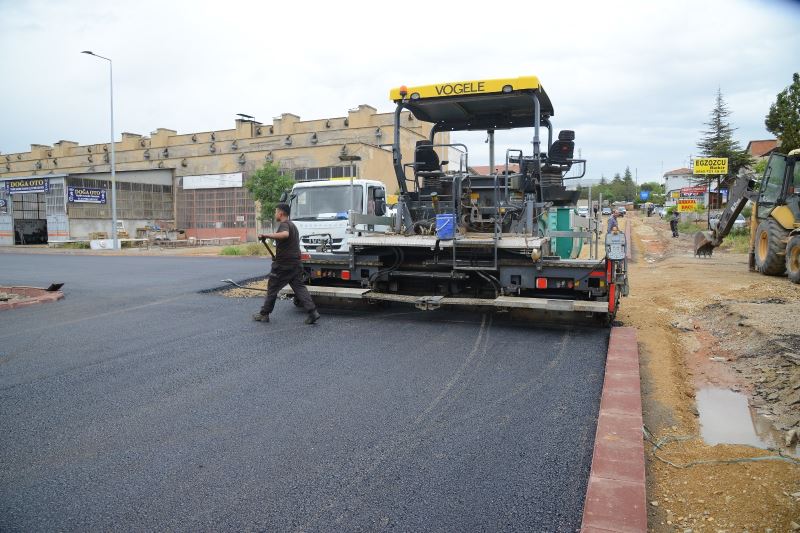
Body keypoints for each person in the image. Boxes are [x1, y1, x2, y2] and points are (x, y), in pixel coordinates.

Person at [252, 203, 320, 325]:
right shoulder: (293, 225)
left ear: (281, 213)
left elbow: (285, 235)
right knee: (299, 288)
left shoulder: (285, 225)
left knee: (272, 288)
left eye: (276, 212)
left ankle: (264, 314)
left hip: (283, 265)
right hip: (295, 263)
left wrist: (266, 235)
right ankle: (313, 312)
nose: (275, 214)